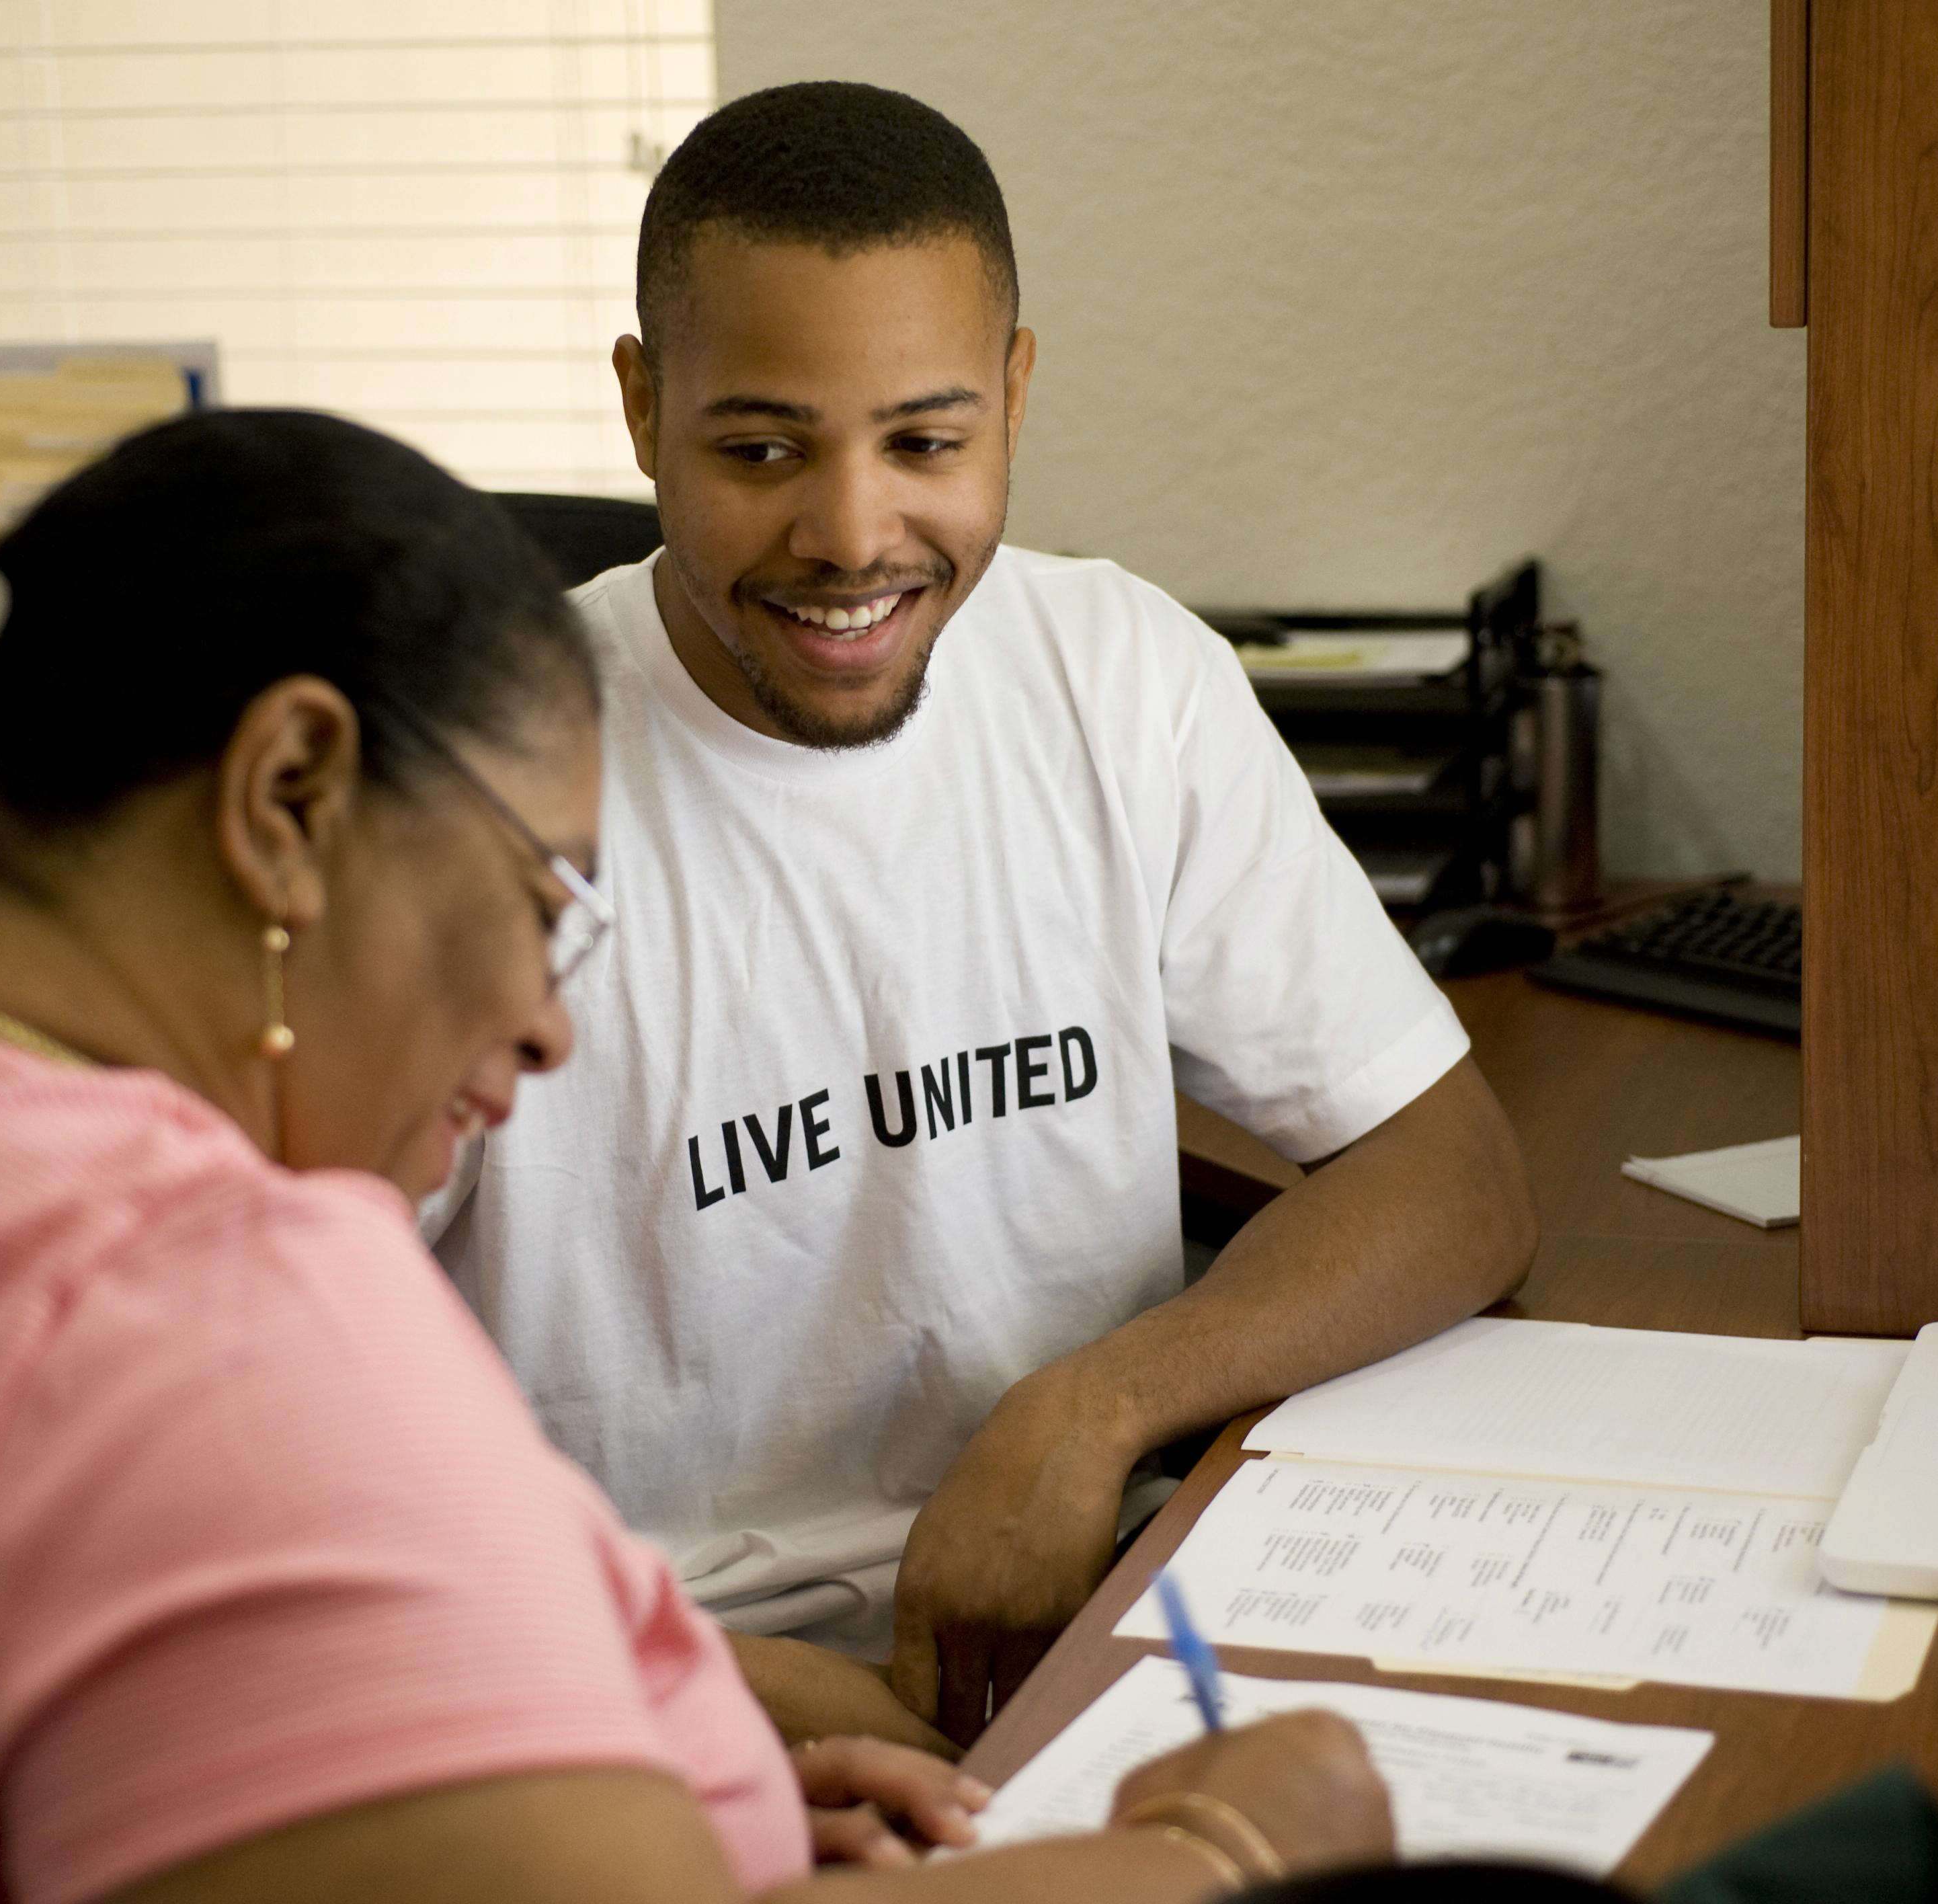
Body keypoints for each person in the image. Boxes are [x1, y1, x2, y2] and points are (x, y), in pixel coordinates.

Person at [0, 410, 1391, 1901]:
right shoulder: (183, 1308)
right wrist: (1216, 1854)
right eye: (545, 896)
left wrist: (548, 1753)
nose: (553, 1022)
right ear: (291, 797)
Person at [430, 80, 1541, 1749]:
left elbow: (1451, 1177)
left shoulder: (1120, 675)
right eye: (759, 450)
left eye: (926, 443)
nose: (853, 537)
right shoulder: (463, 785)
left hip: (1092, 1620)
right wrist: (738, 1693)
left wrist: (1094, 1410)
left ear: (1016, 395)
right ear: (643, 404)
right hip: (636, 1692)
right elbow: (263, 1437)